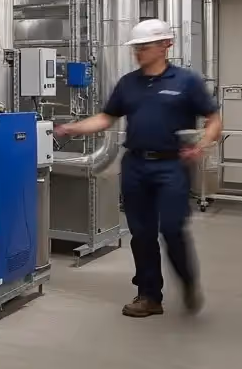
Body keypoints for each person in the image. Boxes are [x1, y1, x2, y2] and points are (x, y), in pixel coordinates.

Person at [55, 18, 221, 317]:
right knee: (141, 234)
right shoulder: (128, 83)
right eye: (136, 48)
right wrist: (71, 128)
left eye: (145, 47)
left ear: (165, 45)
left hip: (171, 166)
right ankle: (149, 296)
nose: (138, 52)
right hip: (136, 165)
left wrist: (203, 144)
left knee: (172, 229)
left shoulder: (186, 82)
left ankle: (187, 282)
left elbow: (213, 119)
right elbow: (106, 118)